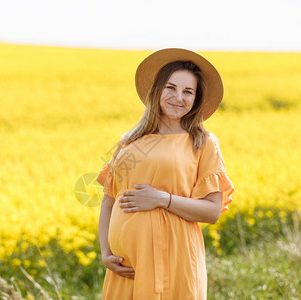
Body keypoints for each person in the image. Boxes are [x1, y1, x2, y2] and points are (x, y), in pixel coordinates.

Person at [97, 48, 234, 300]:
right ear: (157, 90)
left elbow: (213, 211)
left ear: (196, 99)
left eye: (188, 91)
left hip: (173, 261)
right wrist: (106, 252)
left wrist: (162, 199)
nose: (178, 97)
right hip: (125, 269)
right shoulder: (129, 141)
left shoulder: (202, 142)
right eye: (171, 87)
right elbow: (108, 202)